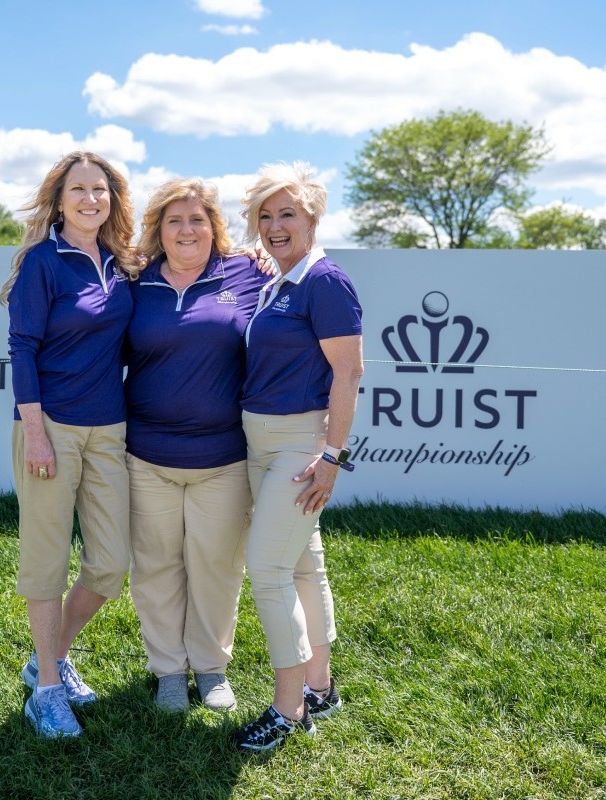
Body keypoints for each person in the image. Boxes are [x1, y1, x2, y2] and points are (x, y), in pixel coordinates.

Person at [2, 151, 140, 738]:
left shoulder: (121, 262)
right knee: (47, 560)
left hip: (109, 429)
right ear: (58, 200)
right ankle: (49, 692)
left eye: (100, 190)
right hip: (50, 426)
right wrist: (35, 433)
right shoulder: (43, 262)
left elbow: (200, 257)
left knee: (110, 565)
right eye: (79, 189)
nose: (90, 199)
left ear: (113, 199)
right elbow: (22, 349)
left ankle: (46, 658)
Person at [230, 162, 364, 751]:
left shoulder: (325, 281)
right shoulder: (276, 280)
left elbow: (349, 372)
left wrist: (332, 455)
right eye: (266, 215)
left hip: (298, 442)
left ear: (314, 216)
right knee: (305, 563)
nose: (275, 225)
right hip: (258, 441)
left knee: (268, 570)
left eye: (288, 213)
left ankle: (288, 711)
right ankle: (320, 687)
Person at [123, 178, 270, 713]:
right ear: (158, 230)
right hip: (147, 455)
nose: (187, 229)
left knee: (217, 566)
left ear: (215, 226)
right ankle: (166, 669)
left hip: (225, 458)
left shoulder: (249, 272)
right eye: (174, 221)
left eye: (198, 219)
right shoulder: (134, 279)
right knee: (156, 564)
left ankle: (209, 667)